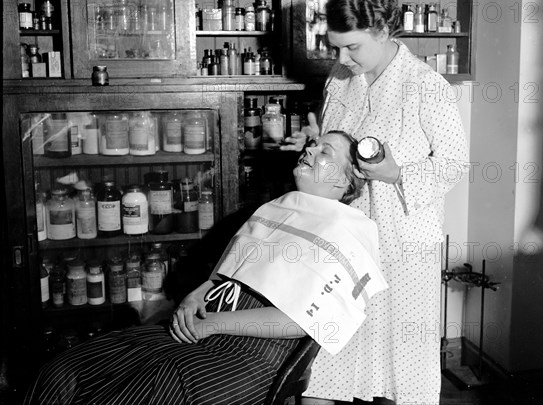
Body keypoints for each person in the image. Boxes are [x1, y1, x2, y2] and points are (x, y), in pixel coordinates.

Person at [24, 131, 388, 405]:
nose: (310, 149)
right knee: (64, 370)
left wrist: (214, 323)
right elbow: (230, 269)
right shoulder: (278, 208)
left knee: (133, 391)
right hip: (205, 325)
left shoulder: (345, 230)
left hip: (250, 353)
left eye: (325, 151)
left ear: (344, 180)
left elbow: (301, 322)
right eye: (312, 143)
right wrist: (197, 293)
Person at [282, 0, 470, 404]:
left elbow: (455, 163)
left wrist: (396, 172)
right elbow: (338, 138)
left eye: (352, 48)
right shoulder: (342, 77)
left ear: (384, 32)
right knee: (328, 361)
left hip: (402, 243)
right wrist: (314, 139)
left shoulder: (426, 85)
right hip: (346, 238)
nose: (342, 59)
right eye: (336, 48)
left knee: (403, 367)